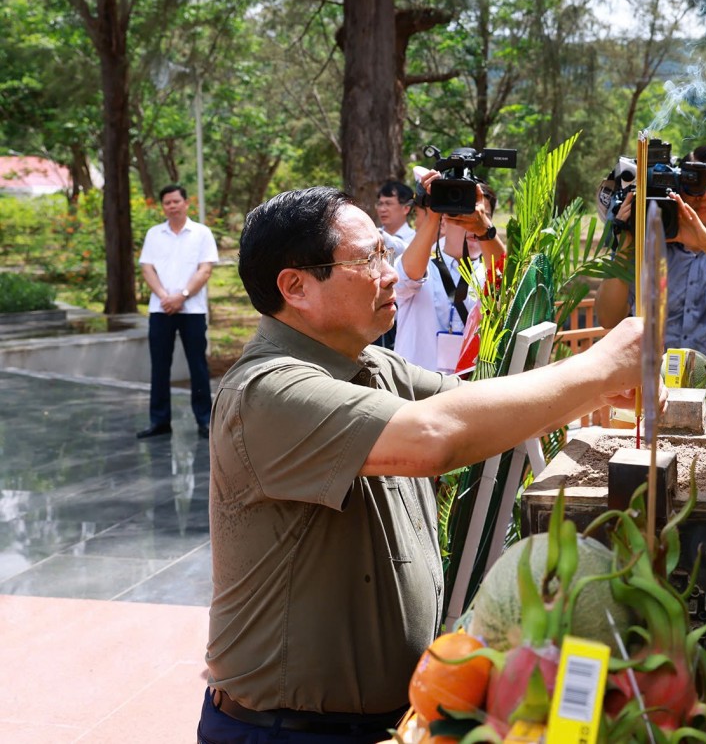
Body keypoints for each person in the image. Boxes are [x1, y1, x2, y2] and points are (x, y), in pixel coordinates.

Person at [200, 186, 642, 743]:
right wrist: (601, 367)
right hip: (290, 731)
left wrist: (600, 391)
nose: (389, 272)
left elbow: (481, 403)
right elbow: (438, 436)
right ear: (296, 286)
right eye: (367, 259)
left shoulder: (369, 364)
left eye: (385, 253)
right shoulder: (267, 391)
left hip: (383, 720)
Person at [595, 144, 706, 376]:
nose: (703, 194)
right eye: (694, 182)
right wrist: (628, 238)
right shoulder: (646, 239)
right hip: (645, 393)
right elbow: (608, 317)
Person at [394, 171, 504, 372]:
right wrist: (432, 216)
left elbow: (508, 285)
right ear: (444, 220)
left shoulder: (486, 269)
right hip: (413, 393)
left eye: (482, 216)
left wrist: (485, 231)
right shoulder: (422, 259)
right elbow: (407, 277)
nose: (473, 224)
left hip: (465, 394)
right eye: (465, 214)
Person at [136, 184, 218, 439]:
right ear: (163, 207)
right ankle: (160, 421)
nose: (171, 206)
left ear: (186, 203)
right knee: (159, 367)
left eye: (175, 201)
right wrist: (164, 297)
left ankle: (205, 420)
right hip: (161, 310)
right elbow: (147, 268)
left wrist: (182, 296)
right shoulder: (154, 234)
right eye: (167, 203)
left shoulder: (201, 233)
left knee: (198, 367)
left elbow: (205, 270)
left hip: (192, 310)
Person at [372, 180, 416, 349]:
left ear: (406, 208)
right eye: (380, 203)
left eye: (389, 203)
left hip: (403, 323)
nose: (382, 209)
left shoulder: (417, 243)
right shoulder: (372, 239)